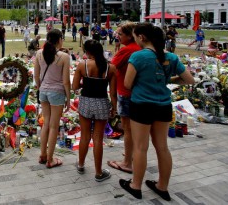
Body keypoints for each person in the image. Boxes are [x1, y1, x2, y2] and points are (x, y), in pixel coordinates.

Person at [120, 22, 194, 201]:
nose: (135, 40)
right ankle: (162, 186)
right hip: (163, 105)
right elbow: (189, 80)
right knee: (162, 148)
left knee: (140, 147)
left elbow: (127, 84)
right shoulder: (171, 57)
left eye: (136, 36)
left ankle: (136, 185)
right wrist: (167, 80)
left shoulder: (138, 57)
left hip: (142, 105)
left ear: (142, 37)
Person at [72, 40, 117, 182]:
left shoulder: (82, 65)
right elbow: (113, 93)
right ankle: (98, 172)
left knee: (85, 135)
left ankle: (80, 165)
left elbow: (74, 87)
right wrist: (114, 108)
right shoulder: (111, 68)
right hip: (102, 103)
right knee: (98, 138)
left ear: (88, 52)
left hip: (85, 102)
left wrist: (85, 82)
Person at [106, 23, 141, 175]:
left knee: (127, 127)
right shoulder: (141, 48)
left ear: (129, 35)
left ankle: (127, 162)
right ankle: (131, 153)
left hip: (125, 92)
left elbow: (111, 67)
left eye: (120, 34)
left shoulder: (127, 50)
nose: (117, 37)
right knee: (135, 127)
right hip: (139, 93)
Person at [33, 29, 71, 169]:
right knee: (54, 126)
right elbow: (66, 81)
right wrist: (68, 98)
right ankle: (50, 159)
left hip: (43, 91)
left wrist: (40, 87)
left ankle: (43, 155)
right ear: (59, 39)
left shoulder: (39, 53)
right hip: (57, 93)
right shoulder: (64, 57)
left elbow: (36, 76)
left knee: (46, 124)